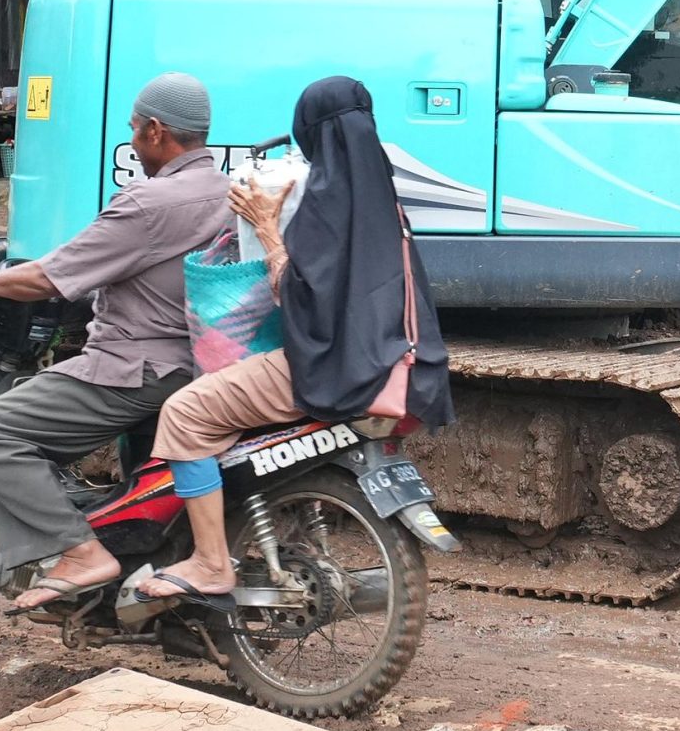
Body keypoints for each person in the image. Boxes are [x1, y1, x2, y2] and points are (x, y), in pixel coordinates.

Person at [133, 76, 454, 606]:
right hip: (403, 364)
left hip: (340, 366)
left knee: (184, 413)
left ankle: (212, 562)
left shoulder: (323, 200)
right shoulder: (382, 194)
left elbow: (301, 298)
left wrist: (267, 230)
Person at [0, 73, 228, 612]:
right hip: (205, 367)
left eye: (132, 129)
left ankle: (79, 552)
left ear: (154, 130)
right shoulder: (228, 190)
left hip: (138, 368)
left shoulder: (148, 203)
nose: (132, 140)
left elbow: (50, 276)